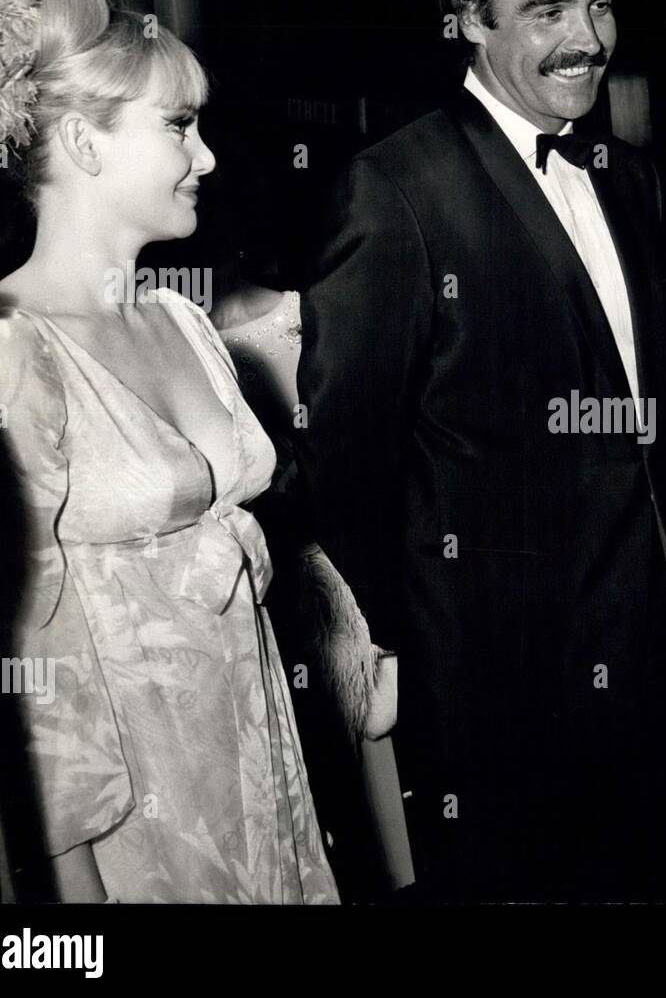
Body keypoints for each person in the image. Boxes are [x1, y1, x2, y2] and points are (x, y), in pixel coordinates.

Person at [297, 0, 666, 902]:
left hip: (652, 683)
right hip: (500, 706)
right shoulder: (396, 187)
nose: (588, 38)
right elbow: (347, 464)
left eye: (601, 4)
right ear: (469, 21)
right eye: (547, 10)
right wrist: (440, 658)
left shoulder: (631, 177)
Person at [0, 0, 337, 903]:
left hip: (258, 773)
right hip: (139, 824)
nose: (207, 155)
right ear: (84, 143)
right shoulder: (3, 346)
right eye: (180, 125)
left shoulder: (182, 317)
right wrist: (71, 895)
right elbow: (21, 663)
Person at [211, 277, 414, 899]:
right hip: (271, 569)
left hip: (349, 542)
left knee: (380, 753)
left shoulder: (316, 300)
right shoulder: (187, 325)